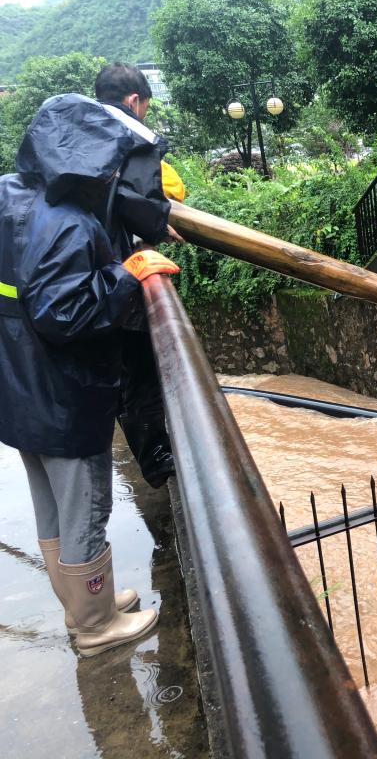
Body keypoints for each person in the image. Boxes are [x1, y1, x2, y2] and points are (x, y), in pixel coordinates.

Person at [0, 93, 180, 656]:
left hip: (19, 385)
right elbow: (67, 313)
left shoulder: (9, 194)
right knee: (85, 507)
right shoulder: (68, 224)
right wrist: (129, 273)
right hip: (63, 392)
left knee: (51, 506)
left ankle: (88, 604)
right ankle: (96, 627)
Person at [94, 63, 181, 489]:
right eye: (144, 106)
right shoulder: (131, 135)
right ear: (134, 100)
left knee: (116, 373)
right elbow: (143, 206)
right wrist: (159, 221)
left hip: (77, 269)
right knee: (139, 365)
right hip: (115, 268)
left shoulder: (76, 133)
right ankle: (159, 463)